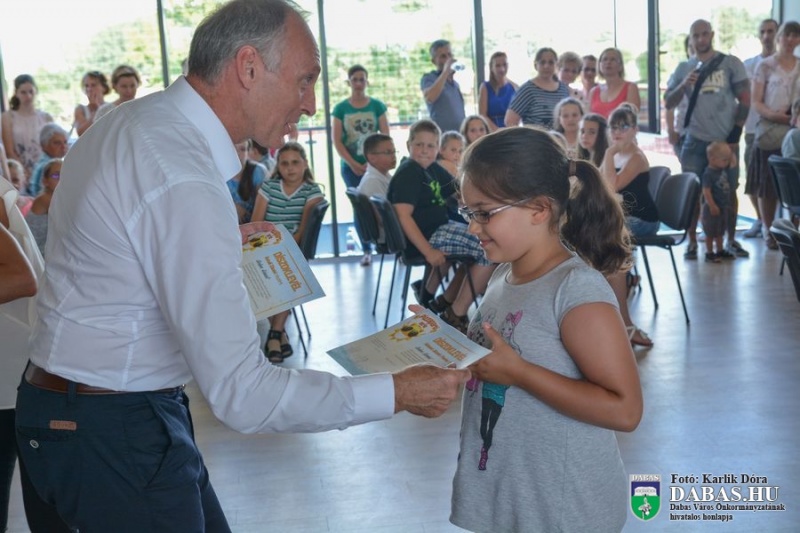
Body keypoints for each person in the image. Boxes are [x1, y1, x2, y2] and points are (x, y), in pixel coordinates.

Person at [14, 2, 469, 530]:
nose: (309, 104)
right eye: (304, 81)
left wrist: (215, 242)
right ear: (249, 67)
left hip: (79, 411)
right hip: (110, 428)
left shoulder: (131, 123)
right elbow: (244, 395)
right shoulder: (180, 173)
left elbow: (115, 246)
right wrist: (398, 391)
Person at [451, 126, 642, 532]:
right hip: (515, 494)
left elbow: (625, 410)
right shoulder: (503, 276)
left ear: (539, 209)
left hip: (562, 508)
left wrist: (519, 373)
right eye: (469, 213)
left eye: (484, 213)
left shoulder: (575, 290)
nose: (473, 228)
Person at [387, 119, 495, 333]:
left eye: (430, 145)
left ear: (437, 148)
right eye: (419, 144)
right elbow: (403, 216)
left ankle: (443, 301)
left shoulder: (431, 168)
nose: (424, 150)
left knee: (479, 245)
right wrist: (428, 251)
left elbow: (458, 190)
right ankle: (455, 313)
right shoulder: (409, 172)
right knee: (489, 247)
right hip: (429, 237)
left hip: (439, 230)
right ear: (408, 145)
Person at [665, 19, 750, 260]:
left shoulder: (731, 63)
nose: (701, 39)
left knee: (728, 192)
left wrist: (735, 134)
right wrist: (684, 84)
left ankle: (730, 240)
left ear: (711, 35)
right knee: (693, 193)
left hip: (724, 140)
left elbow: (745, 98)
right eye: (696, 35)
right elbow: (668, 101)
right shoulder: (684, 68)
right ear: (690, 39)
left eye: (705, 34)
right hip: (694, 140)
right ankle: (692, 241)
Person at [251, 141, 323, 362]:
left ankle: (274, 334)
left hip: (292, 247)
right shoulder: (269, 188)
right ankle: (279, 333)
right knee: (265, 277)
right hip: (263, 244)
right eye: (284, 163)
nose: (290, 168)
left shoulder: (312, 191)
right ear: (278, 166)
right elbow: (256, 222)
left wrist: (282, 246)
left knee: (283, 273)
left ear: (305, 164)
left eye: (295, 162)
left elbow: (302, 232)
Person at [601, 105, 659, 347]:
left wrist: (608, 153)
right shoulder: (616, 156)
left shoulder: (636, 157)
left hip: (644, 220)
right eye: (613, 127)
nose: (617, 132)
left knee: (607, 239)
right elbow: (600, 185)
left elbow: (610, 187)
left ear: (635, 130)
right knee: (598, 233)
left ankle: (622, 320)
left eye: (623, 127)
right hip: (623, 218)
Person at [746, 21, 800, 251]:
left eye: (795, 35)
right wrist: (777, 116)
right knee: (766, 186)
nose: (790, 40)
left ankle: (791, 233)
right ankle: (770, 231)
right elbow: (756, 101)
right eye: (787, 35)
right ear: (780, 37)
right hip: (770, 130)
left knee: (794, 183)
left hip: (795, 131)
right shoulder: (765, 66)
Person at [742, 19, 779, 239]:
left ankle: (779, 228)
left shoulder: (789, 65)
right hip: (753, 131)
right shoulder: (749, 65)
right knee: (753, 179)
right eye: (763, 31)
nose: (767, 36)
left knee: (778, 182)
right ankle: (760, 220)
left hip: (781, 131)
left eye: (771, 31)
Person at [1, 75, 54, 178]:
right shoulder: (7, 117)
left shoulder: (46, 117)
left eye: (31, 92)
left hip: (44, 171)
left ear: (36, 92)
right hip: (20, 173)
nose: (28, 96)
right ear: (16, 93)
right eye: (23, 92)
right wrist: (25, 173)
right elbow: (9, 151)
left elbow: (53, 148)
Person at [505, 48, 569, 129]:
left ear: (556, 65)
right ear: (535, 65)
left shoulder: (563, 89)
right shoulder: (527, 90)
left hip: (560, 137)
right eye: (542, 62)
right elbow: (510, 121)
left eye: (551, 62)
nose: (546, 66)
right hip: (535, 137)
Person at [701, 142, 737, 262]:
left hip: (723, 206)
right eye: (724, 160)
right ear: (712, 159)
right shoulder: (708, 173)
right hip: (712, 208)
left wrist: (731, 155)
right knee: (710, 233)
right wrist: (712, 205)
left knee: (720, 232)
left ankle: (720, 251)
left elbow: (733, 164)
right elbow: (706, 191)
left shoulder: (722, 169)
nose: (727, 162)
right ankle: (709, 252)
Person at [421, 39, 466, 133]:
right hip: (442, 136)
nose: (448, 59)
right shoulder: (429, 78)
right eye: (443, 56)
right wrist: (445, 72)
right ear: (434, 61)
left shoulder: (455, 85)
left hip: (459, 136)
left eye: (450, 55)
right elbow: (430, 97)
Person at [25, 158, 62, 256]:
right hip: (34, 253)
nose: (62, 179)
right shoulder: (45, 198)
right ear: (45, 181)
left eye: (66, 174)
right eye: (56, 175)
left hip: (44, 249)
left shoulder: (59, 197)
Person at [589, 48, 640, 119]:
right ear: (599, 65)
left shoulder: (630, 88)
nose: (608, 62)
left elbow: (632, 117)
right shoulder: (593, 91)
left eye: (613, 59)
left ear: (620, 66)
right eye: (605, 59)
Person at [666, 36, 694, 157]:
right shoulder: (679, 74)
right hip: (683, 132)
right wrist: (671, 130)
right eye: (690, 47)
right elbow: (669, 106)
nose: (694, 49)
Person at [227, 139, 267, 223]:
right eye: (232, 149)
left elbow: (264, 203)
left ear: (248, 152)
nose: (237, 153)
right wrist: (232, 207)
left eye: (242, 149)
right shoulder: (219, 173)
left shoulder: (258, 171)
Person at [478, 51, 518, 131]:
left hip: (511, 131)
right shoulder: (485, 87)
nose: (502, 69)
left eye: (504, 65)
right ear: (491, 68)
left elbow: (518, 114)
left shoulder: (514, 87)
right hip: (491, 131)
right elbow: (482, 115)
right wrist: (498, 131)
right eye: (498, 66)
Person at [27, 123, 69, 196]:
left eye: (65, 142)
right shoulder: (49, 165)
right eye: (57, 143)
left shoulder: (47, 161)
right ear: (44, 145)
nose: (63, 146)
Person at [357, 133, 396, 199]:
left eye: (394, 151)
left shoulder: (384, 175)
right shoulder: (372, 181)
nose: (393, 156)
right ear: (372, 158)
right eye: (388, 152)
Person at [72, 71, 110, 136]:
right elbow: (81, 133)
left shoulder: (112, 107)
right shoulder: (80, 109)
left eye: (93, 85)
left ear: (103, 87)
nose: (89, 89)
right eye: (86, 86)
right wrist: (96, 113)